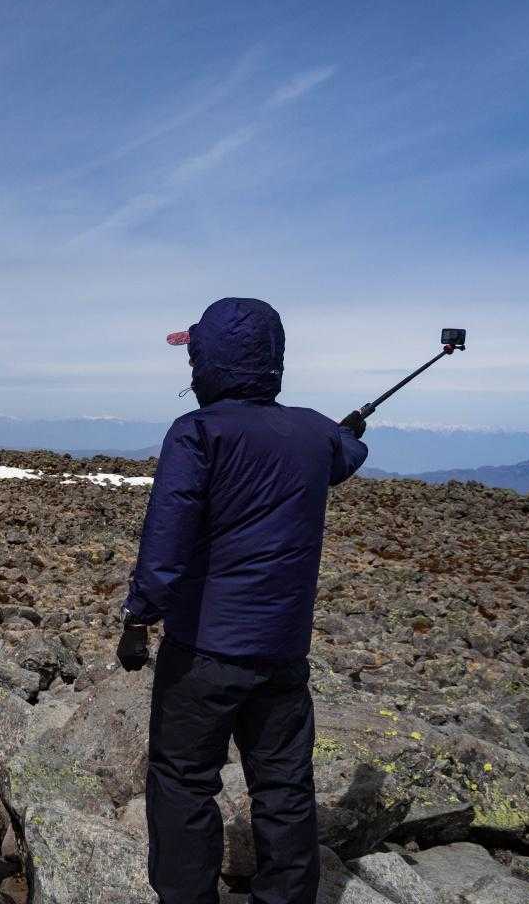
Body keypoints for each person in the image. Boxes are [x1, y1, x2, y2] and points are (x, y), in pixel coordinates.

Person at [117, 297, 368, 904]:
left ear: (209, 363)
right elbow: (345, 454)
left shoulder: (197, 432)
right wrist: (346, 433)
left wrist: (138, 617)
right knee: (283, 785)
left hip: (202, 651)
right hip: (282, 652)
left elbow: (167, 539)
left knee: (183, 781)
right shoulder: (315, 432)